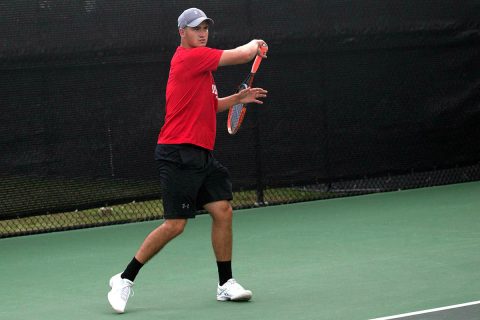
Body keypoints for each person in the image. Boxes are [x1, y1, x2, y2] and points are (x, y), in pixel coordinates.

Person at [107, 7, 268, 313]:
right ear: (182, 32)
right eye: (196, 28)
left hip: (201, 153)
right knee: (175, 225)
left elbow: (210, 106)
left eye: (205, 27)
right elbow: (240, 54)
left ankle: (225, 284)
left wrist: (237, 99)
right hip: (177, 152)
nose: (203, 32)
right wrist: (255, 45)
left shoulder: (203, 70)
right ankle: (124, 279)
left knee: (222, 210)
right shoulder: (189, 58)